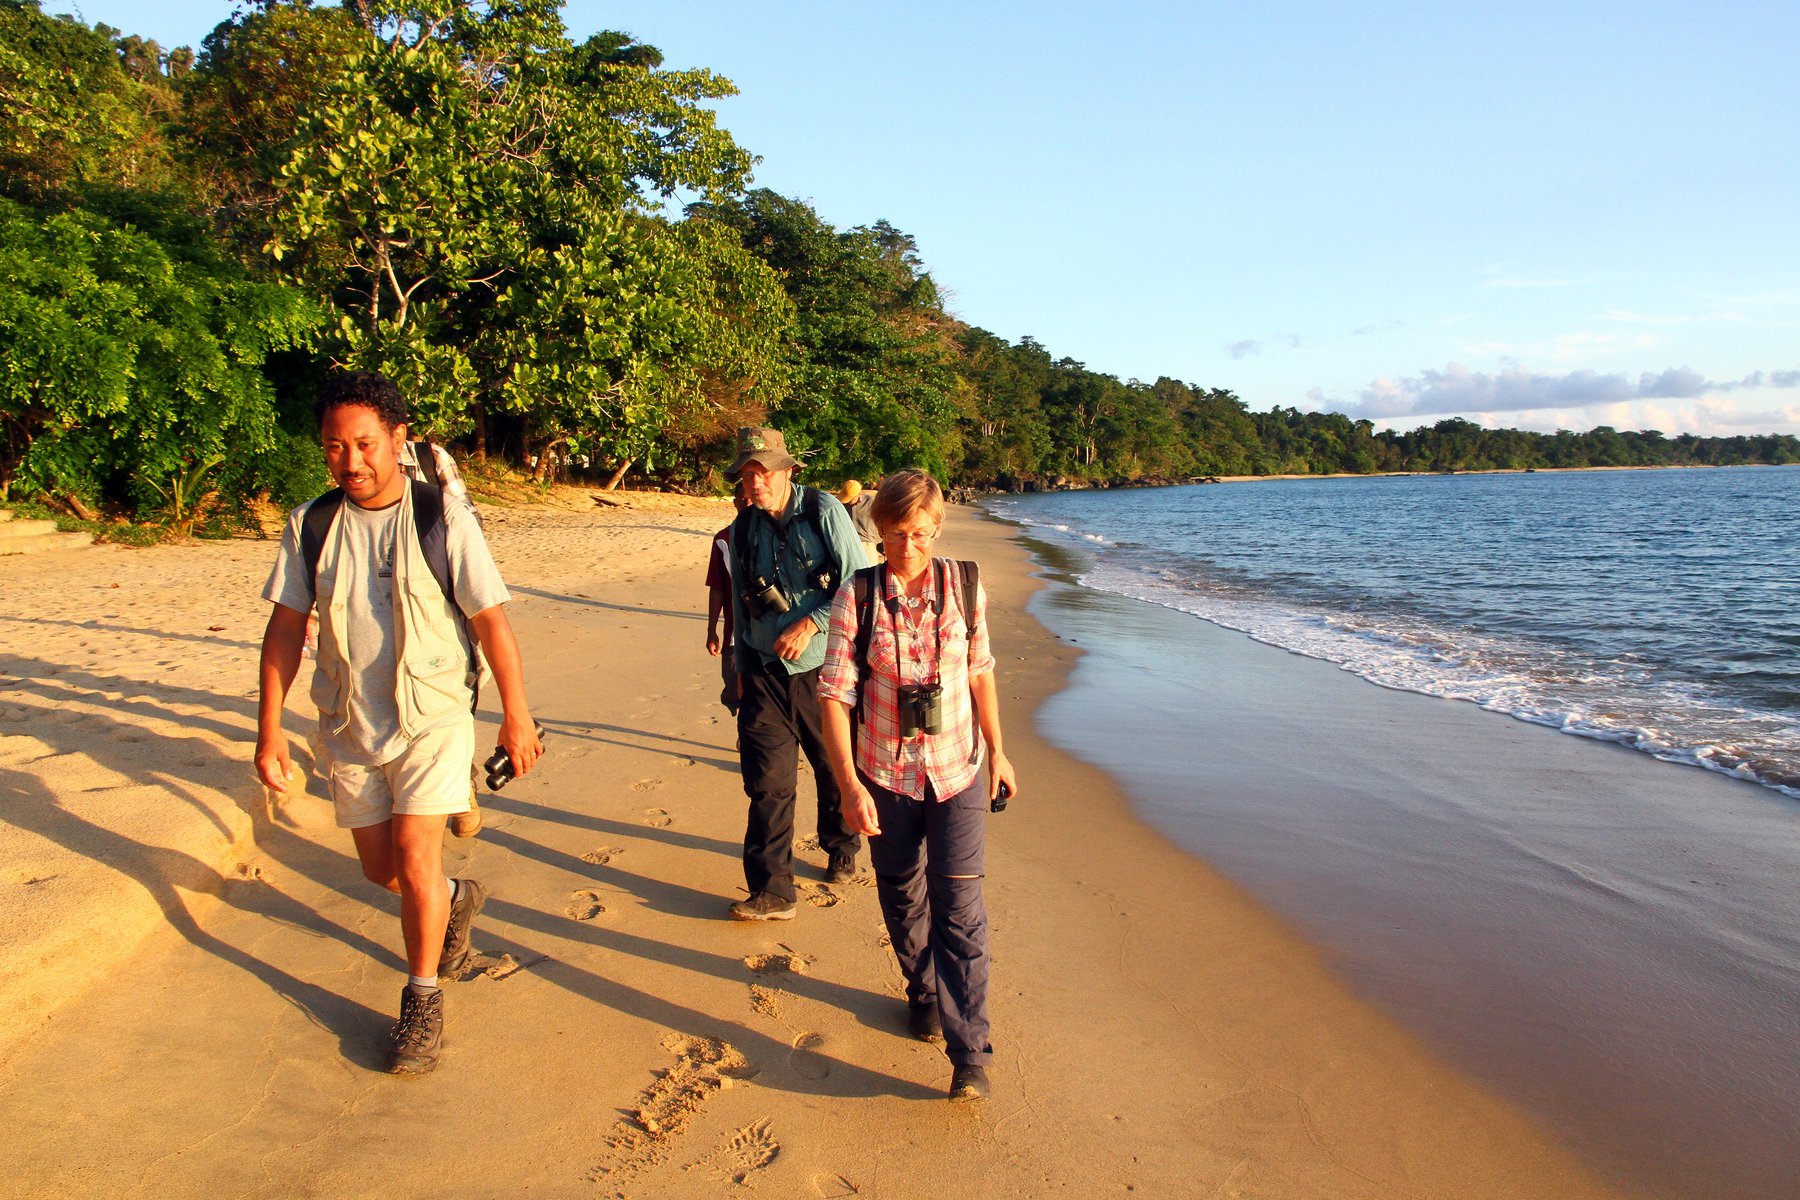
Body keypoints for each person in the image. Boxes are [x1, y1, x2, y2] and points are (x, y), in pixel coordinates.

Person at [255, 371, 542, 1076]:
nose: (349, 461)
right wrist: (268, 729)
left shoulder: (440, 518)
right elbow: (286, 629)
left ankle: (422, 1000)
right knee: (384, 870)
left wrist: (517, 716)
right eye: (333, 446)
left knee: (416, 855)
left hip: (434, 714)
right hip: (350, 721)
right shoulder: (311, 524)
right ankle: (454, 900)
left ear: (398, 441)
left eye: (363, 444)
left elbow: (491, 620)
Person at [818, 468, 1018, 1102]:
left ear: (938, 528)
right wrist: (849, 784)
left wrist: (1001, 752)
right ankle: (923, 990)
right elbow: (835, 693)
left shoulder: (966, 584)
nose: (909, 547)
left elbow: (981, 670)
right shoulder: (860, 593)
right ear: (878, 530)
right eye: (897, 534)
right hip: (885, 775)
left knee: (961, 911)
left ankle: (971, 1057)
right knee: (903, 897)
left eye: (921, 533)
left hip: (958, 767)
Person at [723, 427, 869, 920]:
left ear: (787, 471)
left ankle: (842, 844)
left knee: (831, 766)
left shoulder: (823, 511)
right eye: (747, 473)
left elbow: (858, 583)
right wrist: (740, 671)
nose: (754, 482)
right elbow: (742, 610)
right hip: (763, 670)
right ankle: (772, 889)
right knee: (767, 783)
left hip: (822, 671)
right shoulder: (742, 529)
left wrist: (812, 622)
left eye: (762, 471)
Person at [705, 482, 748, 719]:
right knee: (735, 689)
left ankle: (750, 736)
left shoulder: (777, 537)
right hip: (734, 635)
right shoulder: (723, 540)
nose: (749, 503)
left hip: (769, 635)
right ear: (735, 503)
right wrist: (711, 630)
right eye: (743, 499)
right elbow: (717, 588)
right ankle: (744, 729)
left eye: (753, 498)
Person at [835, 479, 882, 563]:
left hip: (866, 545)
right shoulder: (838, 503)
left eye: (851, 498)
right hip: (846, 544)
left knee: (869, 573)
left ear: (859, 494)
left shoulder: (872, 502)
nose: (848, 500)